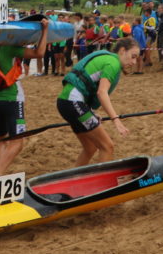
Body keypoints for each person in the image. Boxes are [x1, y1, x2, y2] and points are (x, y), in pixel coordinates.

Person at [0, 21, 49, 185]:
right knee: (18, 142)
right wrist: (45, 30)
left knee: (2, 140)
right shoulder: (9, 48)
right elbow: (39, 53)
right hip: (13, 98)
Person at [55, 37, 138, 165]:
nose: (134, 62)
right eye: (133, 56)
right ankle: (104, 184)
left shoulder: (108, 58)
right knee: (107, 146)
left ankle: (74, 180)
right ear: (122, 51)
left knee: (90, 148)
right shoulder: (113, 63)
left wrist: (90, 111)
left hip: (66, 102)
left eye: (136, 58)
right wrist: (115, 119)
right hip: (73, 102)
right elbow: (101, 93)